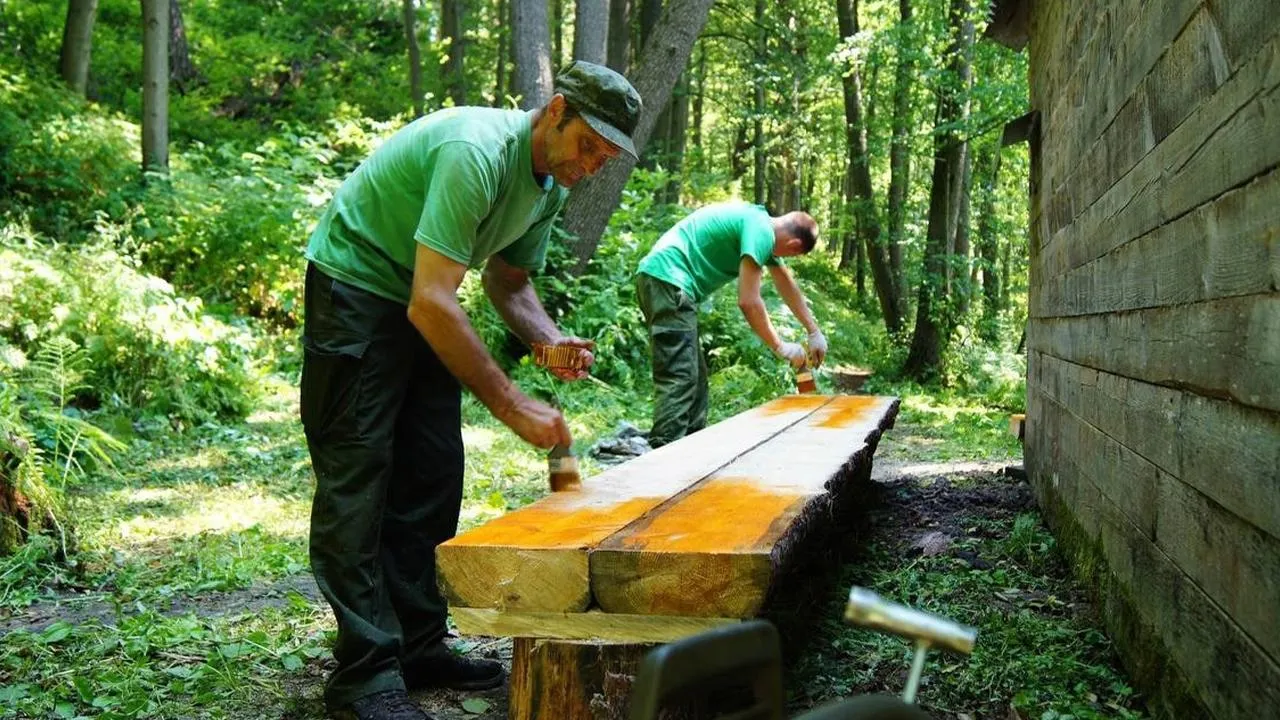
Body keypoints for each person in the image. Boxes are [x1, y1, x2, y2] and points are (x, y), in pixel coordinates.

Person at [300, 61, 642, 720]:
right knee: (358, 473)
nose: (592, 164)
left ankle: (419, 643)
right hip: (357, 284)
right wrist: (511, 405)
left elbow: (509, 283)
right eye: (588, 144)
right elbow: (432, 302)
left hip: (422, 296)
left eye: (606, 155)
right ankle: (364, 674)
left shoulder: (549, 188)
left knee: (432, 470)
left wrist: (549, 339)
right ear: (556, 111)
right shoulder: (476, 151)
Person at [635, 201, 827, 448]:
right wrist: (781, 347)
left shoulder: (758, 223)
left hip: (666, 281)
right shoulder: (761, 232)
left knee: (696, 384)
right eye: (792, 255)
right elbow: (749, 302)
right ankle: (662, 455)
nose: (784, 259)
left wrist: (814, 331)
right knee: (680, 376)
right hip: (668, 280)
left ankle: (688, 450)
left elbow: (785, 283)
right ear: (794, 246)